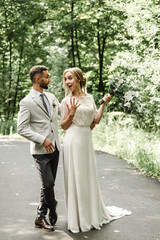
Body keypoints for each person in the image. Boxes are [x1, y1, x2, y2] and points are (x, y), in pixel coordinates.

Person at [61, 67, 131, 233]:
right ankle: (78, 218)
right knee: (76, 177)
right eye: (65, 79)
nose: (67, 82)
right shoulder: (65, 101)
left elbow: (96, 120)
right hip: (72, 139)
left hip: (86, 139)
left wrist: (104, 103)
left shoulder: (89, 97)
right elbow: (64, 126)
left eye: (70, 78)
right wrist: (71, 113)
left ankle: (91, 214)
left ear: (78, 79)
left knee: (87, 177)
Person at [17, 65, 61, 231]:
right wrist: (42, 140)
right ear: (38, 79)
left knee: (47, 185)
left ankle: (40, 218)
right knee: (48, 184)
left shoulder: (51, 97)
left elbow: (60, 115)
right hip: (40, 151)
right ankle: (52, 204)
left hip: (55, 147)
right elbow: (21, 128)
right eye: (47, 77)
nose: (49, 79)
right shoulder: (26, 102)